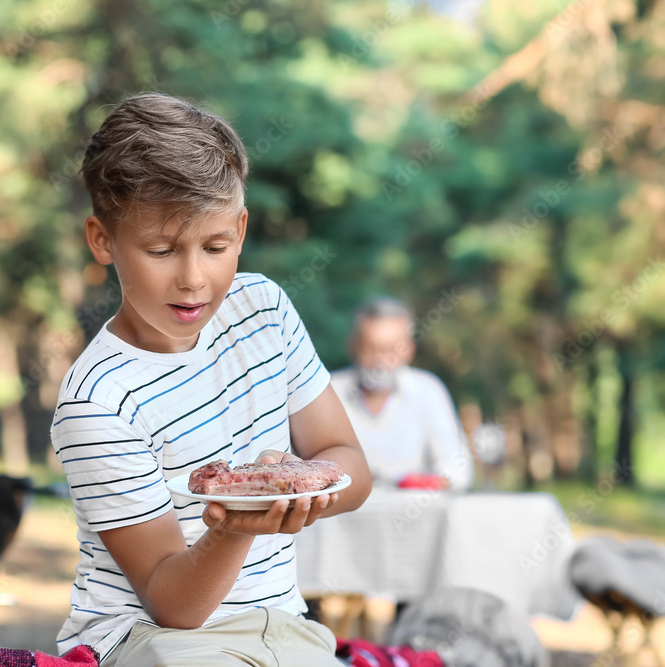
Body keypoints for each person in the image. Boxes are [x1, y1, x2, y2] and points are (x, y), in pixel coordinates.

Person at [51, 92, 372, 666]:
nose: (194, 278)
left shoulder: (263, 310)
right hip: (154, 640)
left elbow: (349, 462)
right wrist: (234, 528)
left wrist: (300, 484)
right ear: (102, 240)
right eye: (160, 250)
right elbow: (172, 603)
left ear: (241, 229)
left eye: (215, 246)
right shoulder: (97, 399)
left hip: (282, 624)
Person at [329, 298, 473, 491]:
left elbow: (457, 469)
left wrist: (421, 483)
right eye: (371, 348)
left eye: (391, 350)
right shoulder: (328, 391)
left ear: (409, 350)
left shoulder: (428, 391)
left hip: (416, 516)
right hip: (339, 519)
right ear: (353, 346)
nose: (381, 361)